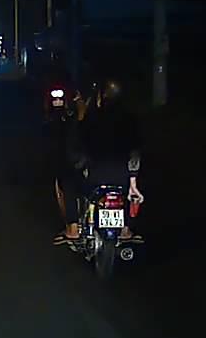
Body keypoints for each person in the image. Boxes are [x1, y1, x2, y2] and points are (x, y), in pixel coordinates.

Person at [53, 76, 144, 247]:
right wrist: (133, 180)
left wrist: (81, 165)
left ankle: (73, 229)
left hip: (94, 177)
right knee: (131, 193)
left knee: (67, 180)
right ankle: (125, 230)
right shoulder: (131, 120)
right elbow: (135, 153)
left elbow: (76, 147)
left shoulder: (91, 119)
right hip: (122, 178)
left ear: (100, 97)